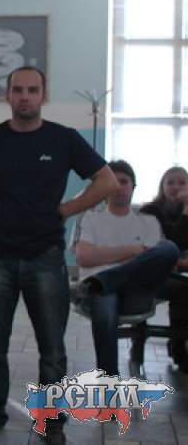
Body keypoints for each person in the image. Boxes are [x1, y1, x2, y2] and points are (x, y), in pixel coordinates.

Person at [0, 66, 117, 444]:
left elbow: (106, 180)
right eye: (18, 90)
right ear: (7, 95)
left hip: (46, 257)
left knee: (52, 350)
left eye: (32, 90)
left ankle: (52, 421)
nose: (24, 96)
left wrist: (66, 209)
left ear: (44, 95)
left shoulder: (63, 139)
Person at [70, 160, 178, 376]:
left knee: (168, 248)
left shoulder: (148, 221)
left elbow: (156, 259)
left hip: (135, 292)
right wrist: (136, 250)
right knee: (104, 298)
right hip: (98, 295)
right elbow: (85, 257)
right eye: (113, 182)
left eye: (124, 181)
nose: (118, 187)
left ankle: (101, 281)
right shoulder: (89, 217)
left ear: (133, 186)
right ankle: (109, 381)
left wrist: (105, 257)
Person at [140, 166, 188, 371]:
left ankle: (178, 344)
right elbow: (174, 245)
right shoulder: (150, 212)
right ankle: (178, 347)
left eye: (182, 183)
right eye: (171, 182)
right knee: (184, 291)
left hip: (178, 271)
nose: (176, 187)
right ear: (162, 186)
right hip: (151, 272)